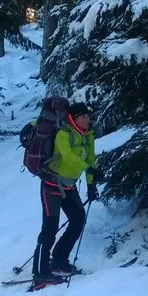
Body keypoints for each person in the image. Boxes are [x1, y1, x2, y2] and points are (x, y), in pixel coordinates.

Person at [34, 102, 99, 283]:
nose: (87, 120)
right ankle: (40, 272)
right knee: (50, 227)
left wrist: (91, 185)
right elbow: (67, 156)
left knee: (78, 220)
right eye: (83, 116)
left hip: (69, 186)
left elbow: (91, 160)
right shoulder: (63, 134)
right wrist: (88, 168)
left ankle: (59, 260)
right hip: (51, 184)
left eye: (88, 116)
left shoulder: (88, 137)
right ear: (73, 117)